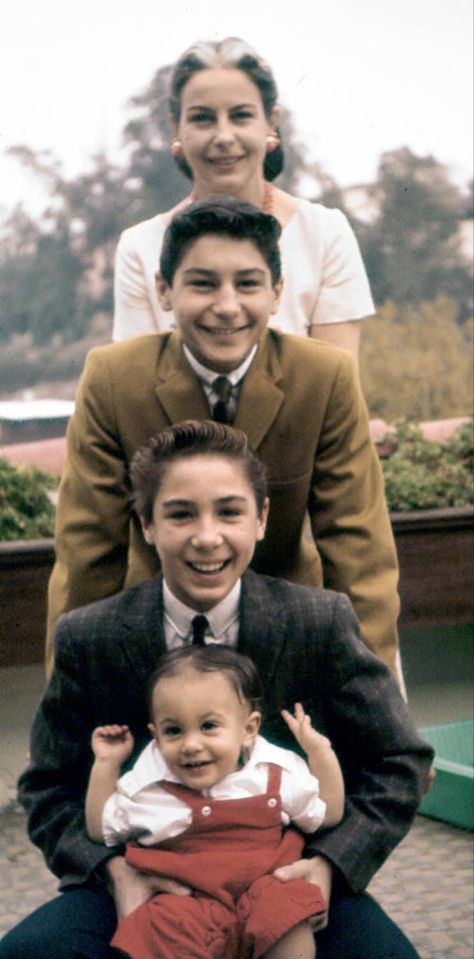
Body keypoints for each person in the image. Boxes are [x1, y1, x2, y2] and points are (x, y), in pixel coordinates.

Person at [1, 420, 433, 959]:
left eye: (229, 511)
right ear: (147, 524)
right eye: (181, 513)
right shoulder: (92, 636)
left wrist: (328, 865)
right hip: (147, 878)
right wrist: (117, 876)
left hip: (288, 877)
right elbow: (48, 787)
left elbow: (400, 760)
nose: (207, 537)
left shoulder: (318, 621)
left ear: (261, 519)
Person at [45, 196, 401, 680]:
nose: (227, 307)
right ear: (164, 291)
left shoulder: (324, 376)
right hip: (158, 644)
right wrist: (69, 706)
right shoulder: (112, 378)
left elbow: (359, 555)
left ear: (277, 293)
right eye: (203, 284)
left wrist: (371, 708)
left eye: (248, 284)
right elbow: (87, 560)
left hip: (287, 639)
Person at [113, 36, 373, 358]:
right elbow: (137, 387)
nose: (223, 136)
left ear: (271, 123)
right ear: (175, 129)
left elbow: (337, 387)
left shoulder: (324, 234)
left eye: (240, 116)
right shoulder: (139, 248)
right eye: (202, 118)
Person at [85, 645, 345, 958]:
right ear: (155, 735)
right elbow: (102, 828)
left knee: (287, 914)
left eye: (208, 726)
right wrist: (106, 764)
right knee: (160, 928)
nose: (191, 745)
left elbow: (328, 814)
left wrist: (321, 754)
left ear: (248, 730)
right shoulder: (150, 788)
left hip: (264, 889)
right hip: (187, 902)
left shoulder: (273, 773)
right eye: (174, 731)